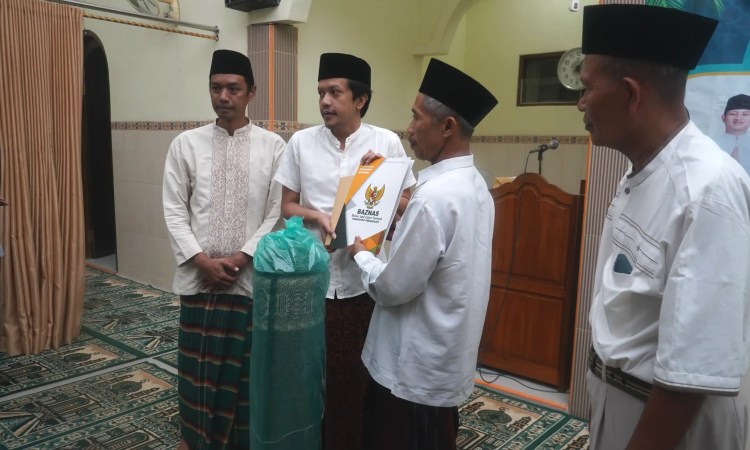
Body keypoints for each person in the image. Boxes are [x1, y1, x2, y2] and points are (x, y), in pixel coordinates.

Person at [579, 5, 750, 450]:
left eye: (587, 88)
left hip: (668, 425)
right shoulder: (641, 169)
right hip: (621, 401)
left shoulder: (707, 190)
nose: (580, 103)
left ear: (630, 93)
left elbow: (690, 375)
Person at [349, 58, 498, 450]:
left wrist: (362, 253)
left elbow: (394, 287)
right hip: (443, 361)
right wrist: (397, 219)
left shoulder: (434, 196)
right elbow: (443, 258)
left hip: (412, 371)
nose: (410, 129)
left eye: (417, 118)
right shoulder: (475, 184)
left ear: (447, 126)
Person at [274, 52, 416, 450]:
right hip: (312, 281)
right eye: (321, 92)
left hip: (362, 284)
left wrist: (380, 187)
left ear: (360, 99)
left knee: (357, 378)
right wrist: (317, 216)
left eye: (335, 93)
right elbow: (287, 206)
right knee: (309, 375)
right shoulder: (301, 143)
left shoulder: (385, 142)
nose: (324, 101)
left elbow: (409, 205)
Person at [162, 49, 286, 450]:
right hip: (200, 280)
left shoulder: (273, 147)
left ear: (252, 92)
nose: (223, 97)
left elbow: (277, 213)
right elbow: (173, 209)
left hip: (248, 280)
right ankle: (194, 438)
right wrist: (201, 261)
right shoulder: (186, 144)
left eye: (233, 88)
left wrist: (242, 256)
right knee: (197, 370)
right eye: (216, 88)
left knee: (244, 373)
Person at [711, 94, 750, 174]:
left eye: (745, 114)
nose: (738, 118)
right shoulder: (712, 143)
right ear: (723, 118)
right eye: (733, 114)